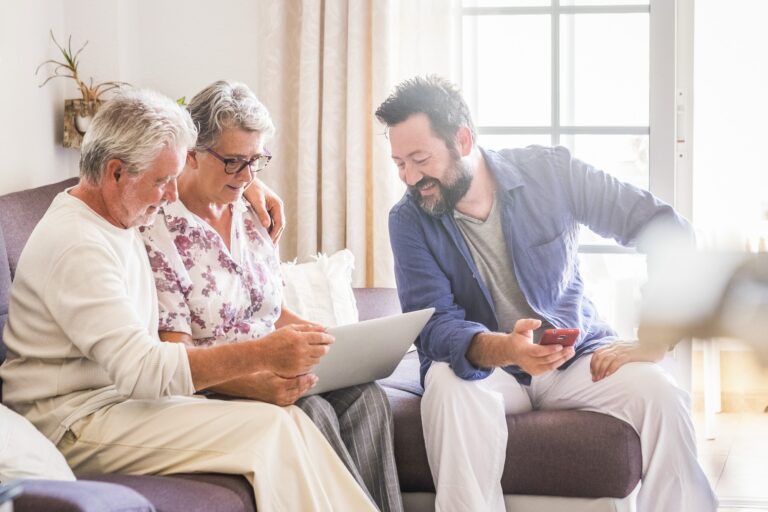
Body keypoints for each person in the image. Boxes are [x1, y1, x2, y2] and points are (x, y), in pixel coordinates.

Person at [0, 89, 377, 511]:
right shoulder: (79, 246)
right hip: (73, 420)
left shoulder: (115, 206)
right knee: (271, 430)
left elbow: (205, 147)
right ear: (115, 173)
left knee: (286, 423)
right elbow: (143, 371)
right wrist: (262, 353)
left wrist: (244, 181)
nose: (170, 196)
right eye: (162, 182)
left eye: (173, 179)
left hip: (120, 403)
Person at [374, 75, 718, 512]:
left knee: (661, 394)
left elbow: (668, 230)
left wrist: (654, 337)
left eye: (419, 159)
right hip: (488, 370)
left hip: (574, 358)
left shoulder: (551, 173)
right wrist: (506, 349)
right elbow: (435, 326)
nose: (409, 177)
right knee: (445, 383)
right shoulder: (408, 220)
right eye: (399, 163)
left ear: (462, 139)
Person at [139, 80, 402, 512]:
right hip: (221, 382)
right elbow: (175, 355)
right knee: (311, 414)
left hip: (277, 365)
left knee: (368, 398)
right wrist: (258, 382)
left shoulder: (252, 211)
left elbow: (271, 311)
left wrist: (331, 343)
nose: (247, 176)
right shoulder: (160, 231)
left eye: (256, 161)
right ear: (191, 153)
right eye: (233, 162)